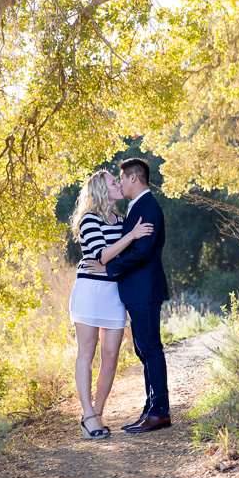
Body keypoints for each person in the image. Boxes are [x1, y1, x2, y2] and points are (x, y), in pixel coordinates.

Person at [84, 158, 171, 433]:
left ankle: (159, 412)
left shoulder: (147, 207)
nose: (119, 183)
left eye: (120, 179)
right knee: (144, 349)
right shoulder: (136, 207)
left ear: (133, 178)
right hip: (136, 290)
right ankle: (150, 408)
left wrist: (107, 268)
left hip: (144, 289)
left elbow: (142, 252)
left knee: (150, 349)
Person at [69, 170, 154, 440]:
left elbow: (114, 261)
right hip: (90, 292)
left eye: (118, 181)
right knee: (87, 353)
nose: (119, 184)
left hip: (114, 292)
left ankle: (98, 413)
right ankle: (87, 415)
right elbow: (102, 255)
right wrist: (130, 237)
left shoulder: (121, 220)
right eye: (113, 182)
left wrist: (125, 239)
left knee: (111, 356)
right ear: (101, 191)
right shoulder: (89, 219)